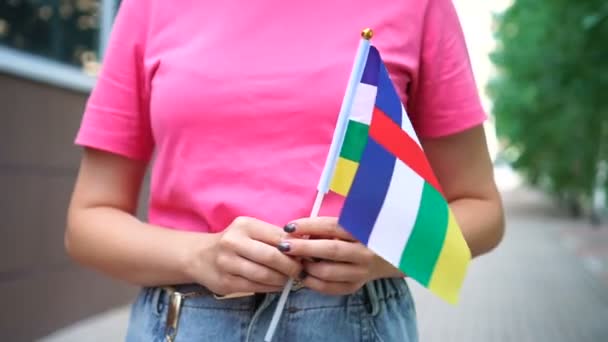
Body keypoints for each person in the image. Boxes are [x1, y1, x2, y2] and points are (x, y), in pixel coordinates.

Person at [65, 0, 505, 340]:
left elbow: (482, 210)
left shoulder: (419, 6)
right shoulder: (151, 6)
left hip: (355, 320)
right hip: (188, 320)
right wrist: (197, 255)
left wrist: (376, 255)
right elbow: (88, 223)